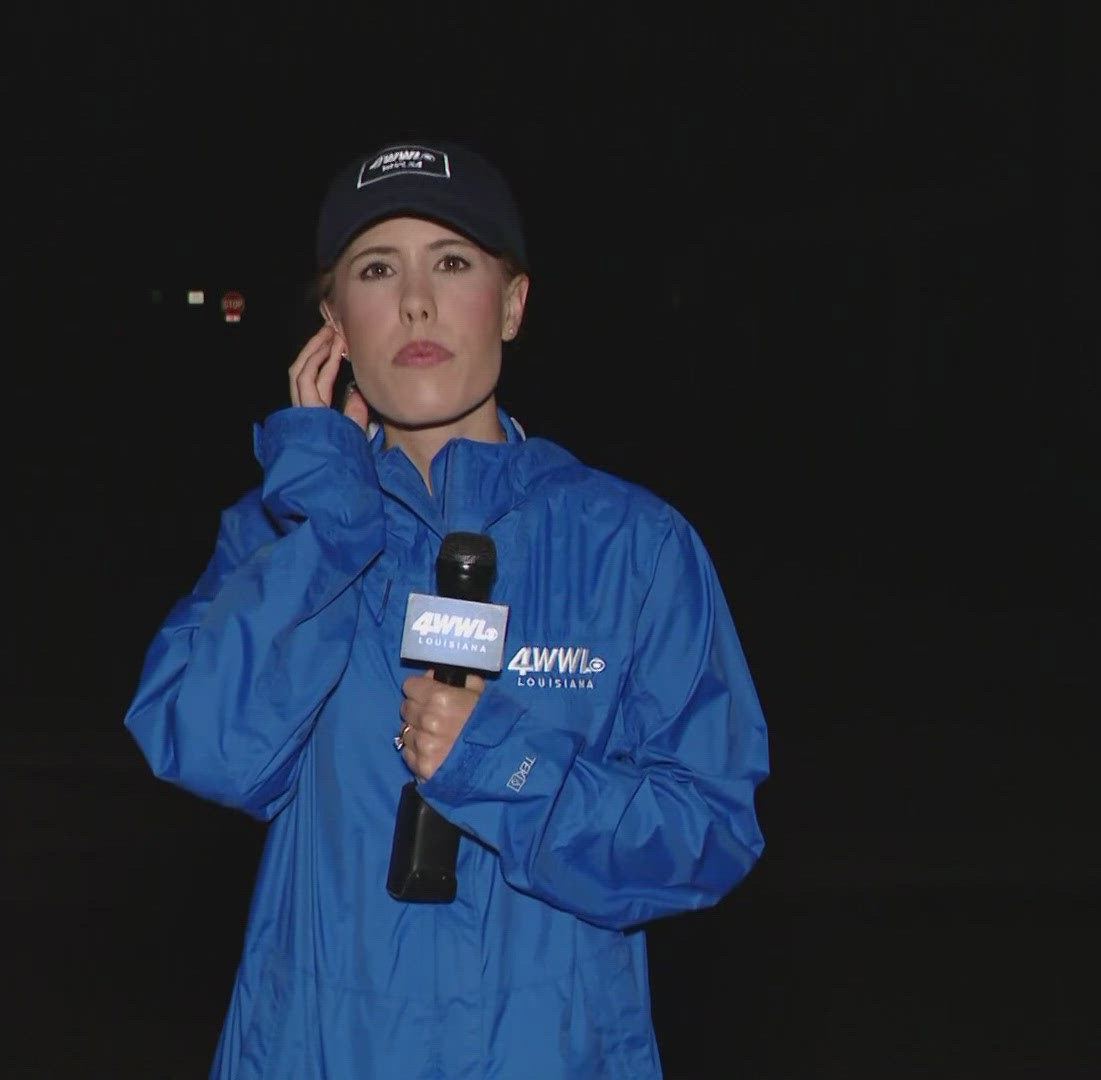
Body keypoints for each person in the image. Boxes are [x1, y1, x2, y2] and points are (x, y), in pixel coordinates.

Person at [124, 139, 770, 1078]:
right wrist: (332, 525)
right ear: (333, 319)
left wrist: (503, 764)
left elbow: (708, 834)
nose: (417, 301)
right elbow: (203, 745)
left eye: (454, 262)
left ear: (512, 304)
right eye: (378, 269)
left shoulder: (633, 544)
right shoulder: (282, 537)